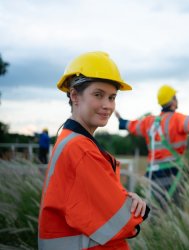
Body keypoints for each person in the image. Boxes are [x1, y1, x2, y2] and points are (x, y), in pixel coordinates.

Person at [38, 51, 150, 250]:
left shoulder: (70, 139)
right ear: (74, 95)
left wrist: (123, 197)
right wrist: (138, 208)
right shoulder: (81, 149)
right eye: (98, 95)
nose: (107, 105)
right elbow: (123, 221)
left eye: (112, 97)